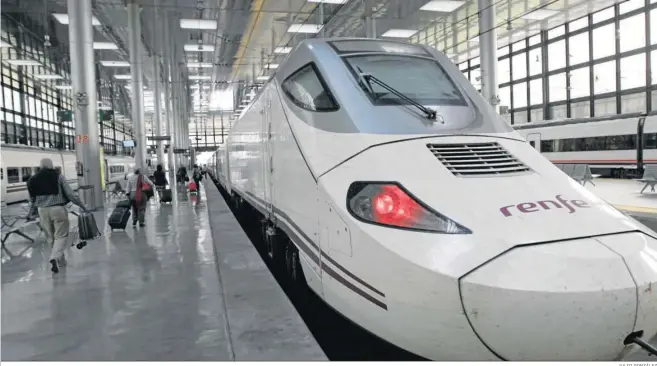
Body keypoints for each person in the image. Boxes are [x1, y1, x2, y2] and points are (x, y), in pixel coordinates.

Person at [26, 158, 88, 273]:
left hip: (42, 211)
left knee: (51, 237)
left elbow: (32, 200)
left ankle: (61, 261)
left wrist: (30, 213)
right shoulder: (58, 177)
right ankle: (54, 258)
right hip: (58, 209)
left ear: (41, 166)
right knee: (61, 236)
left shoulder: (32, 180)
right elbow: (71, 195)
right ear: (51, 166)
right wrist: (83, 206)